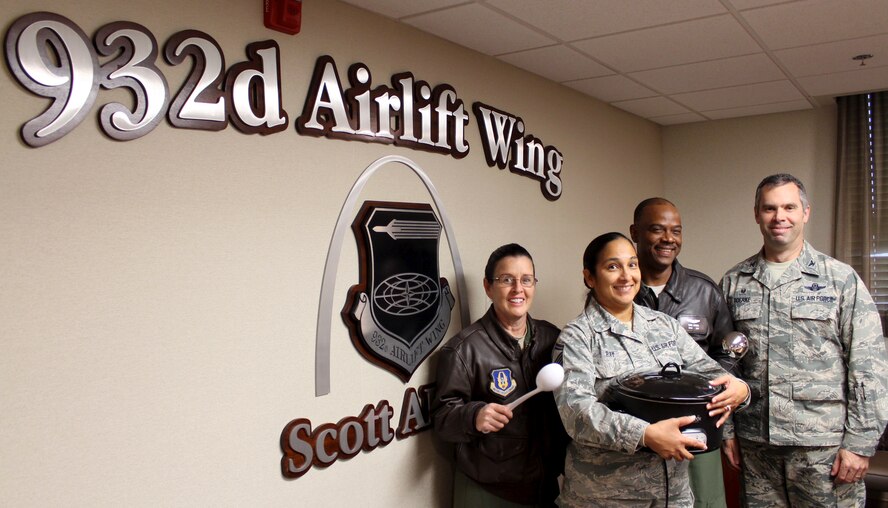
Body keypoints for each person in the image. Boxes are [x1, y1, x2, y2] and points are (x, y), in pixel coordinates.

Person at [720, 173, 888, 506]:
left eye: (789, 207)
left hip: (823, 447)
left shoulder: (839, 280)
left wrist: (859, 443)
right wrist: (727, 432)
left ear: (805, 212)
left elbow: (868, 364)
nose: (779, 217)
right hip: (757, 446)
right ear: (757, 214)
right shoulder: (734, 281)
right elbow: (722, 364)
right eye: (769, 208)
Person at [553, 232, 749, 507]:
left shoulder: (665, 325)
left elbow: (710, 374)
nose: (626, 276)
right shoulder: (577, 336)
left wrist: (740, 388)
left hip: (674, 494)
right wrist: (644, 435)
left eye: (632, 264)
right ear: (590, 277)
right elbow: (575, 412)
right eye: (612, 266)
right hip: (608, 496)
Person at [432, 243, 567, 507]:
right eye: (507, 280)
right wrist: (474, 416)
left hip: (544, 485)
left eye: (526, 280)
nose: (518, 289)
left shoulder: (552, 337)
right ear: (488, 286)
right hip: (488, 489)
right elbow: (442, 418)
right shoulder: (463, 350)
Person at [631, 197, 736, 507]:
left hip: (698, 429)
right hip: (643, 434)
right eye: (657, 229)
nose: (668, 239)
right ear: (635, 232)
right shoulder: (619, 290)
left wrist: (710, 397)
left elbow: (727, 353)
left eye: (676, 231)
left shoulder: (704, 291)